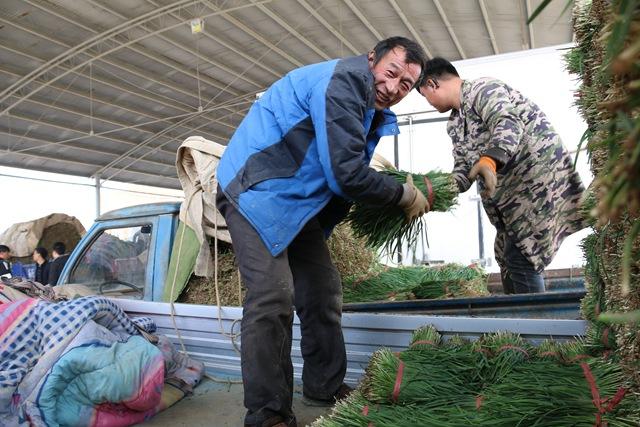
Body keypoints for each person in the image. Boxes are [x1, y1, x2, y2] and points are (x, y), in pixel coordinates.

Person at [216, 36, 429, 427]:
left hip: (294, 201)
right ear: (371, 60)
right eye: (391, 72)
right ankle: (267, 414)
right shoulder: (343, 83)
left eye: (405, 85)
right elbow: (346, 174)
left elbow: (337, 172)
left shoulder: (368, 105)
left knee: (321, 291)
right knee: (271, 296)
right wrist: (401, 195)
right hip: (254, 191)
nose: (393, 88)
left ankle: (324, 385)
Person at [417, 58, 586, 294]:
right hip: (507, 199)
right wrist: (436, 190)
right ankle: (512, 321)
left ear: (432, 84)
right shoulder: (455, 123)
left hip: (534, 185)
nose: (428, 102)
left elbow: (506, 122)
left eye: (424, 95)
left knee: (521, 257)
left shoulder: (482, 89)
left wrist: (489, 159)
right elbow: (464, 168)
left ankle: (536, 323)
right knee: (506, 260)